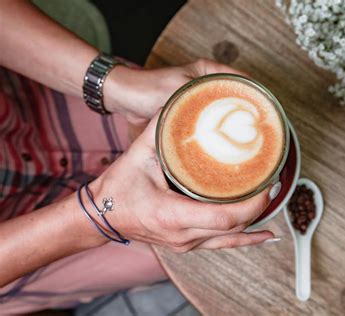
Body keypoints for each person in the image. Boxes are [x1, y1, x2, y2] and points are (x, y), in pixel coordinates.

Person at [0, 1, 277, 313]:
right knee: (193, 250)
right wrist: (96, 219)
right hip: (26, 248)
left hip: (30, 100)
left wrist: (113, 85)